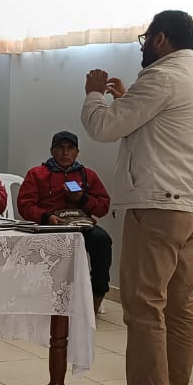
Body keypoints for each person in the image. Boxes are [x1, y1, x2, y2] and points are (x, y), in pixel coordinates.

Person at [82, 9, 193, 385]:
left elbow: (104, 127)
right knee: (180, 306)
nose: (143, 45)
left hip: (159, 207)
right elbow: (153, 127)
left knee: (144, 308)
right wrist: (126, 100)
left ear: (159, 39)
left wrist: (93, 95)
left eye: (146, 38)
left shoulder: (161, 78)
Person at [17, 131, 113, 313]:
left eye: (70, 148)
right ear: (52, 151)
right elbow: (25, 205)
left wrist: (82, 199)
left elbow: (103, 207)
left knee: (103, 241)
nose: (65, 153)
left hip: (81, 227)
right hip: (50, 225)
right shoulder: (37, 174)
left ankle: (94, 302)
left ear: (77, 152)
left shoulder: (87, 175)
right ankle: (42, 302)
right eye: (60, 148)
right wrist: (46, 217)